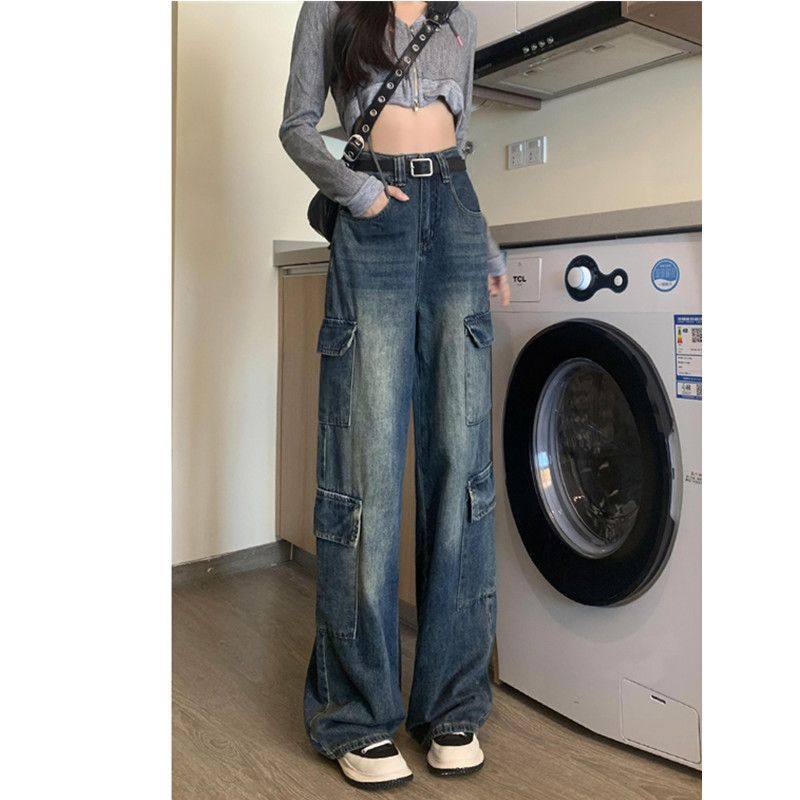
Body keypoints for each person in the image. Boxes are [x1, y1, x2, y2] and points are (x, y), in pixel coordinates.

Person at [279, 1, 509, 789]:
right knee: (366, 468)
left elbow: (459, 148)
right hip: (375, 218)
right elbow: (297, 127)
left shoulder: (459, 17)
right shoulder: (333, 7)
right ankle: (357, 713)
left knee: (462, 466)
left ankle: (451, 705)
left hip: (455, 220)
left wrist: (485, 244)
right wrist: (360, 193)